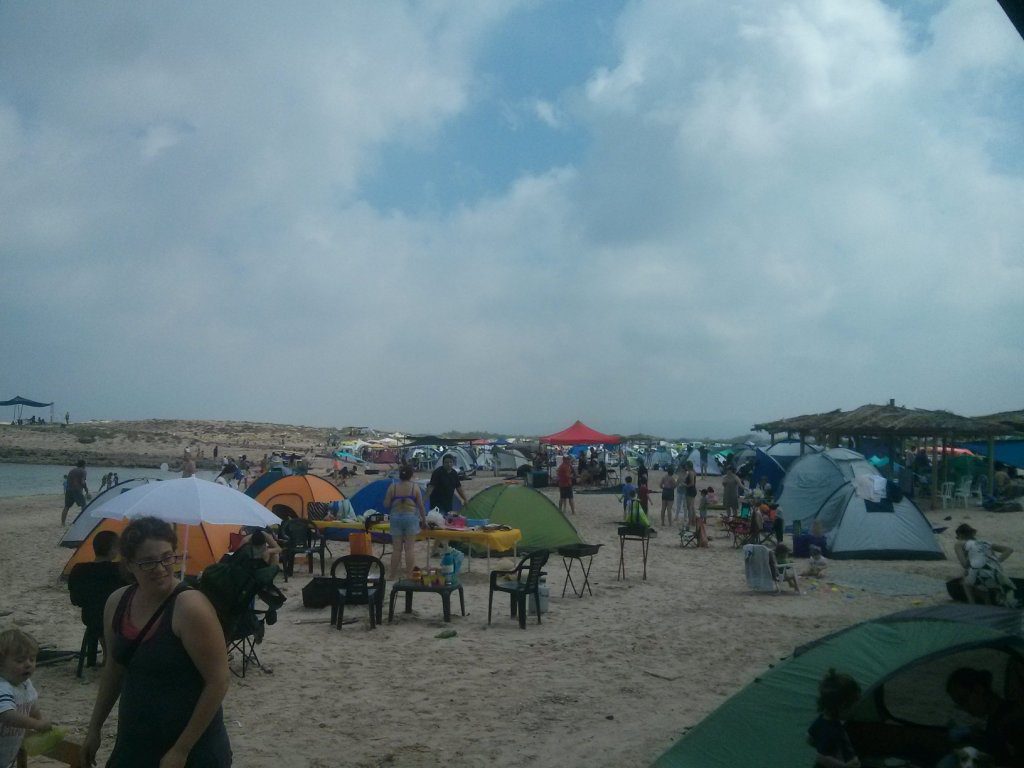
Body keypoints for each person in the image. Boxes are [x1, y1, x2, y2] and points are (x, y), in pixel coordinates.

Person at [83, 516, 231, 768]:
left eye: (167, 557)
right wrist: (94, 728)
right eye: (149, 562)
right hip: (135, 741)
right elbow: (114, 670)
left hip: (191, 746)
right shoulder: (117, 602)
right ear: (130, 564)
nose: (161, 568)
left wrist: (181, 750)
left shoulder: (190, 607)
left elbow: (218, 680)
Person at [68, 531, 128, 668]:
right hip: (117, 619)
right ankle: (110, 656)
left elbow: (76, 600)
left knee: (100, 619)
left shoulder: (79, 570)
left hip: (91, 617)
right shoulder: (120, 571)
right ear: (113, 549)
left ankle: (105, 655)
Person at [945, 666, 1024, 764]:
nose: (965, 708)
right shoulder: (998, 718)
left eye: (963, 700)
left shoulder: (1010, 720)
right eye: (960, 705)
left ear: (979, 690)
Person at [0, 628, 52, 768]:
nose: (28, 664)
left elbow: (32, 705)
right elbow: (7, 715)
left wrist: (39, 719)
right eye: (20, 660)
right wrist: (36, 725)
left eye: (32, 659)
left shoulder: (26, 684)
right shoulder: (2, 687)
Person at [954, 523, 1019, 607]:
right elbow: (1009, 549)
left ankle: (972, 604)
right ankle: (990, 601)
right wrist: (997, 561)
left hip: (981, 575)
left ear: (960, 535)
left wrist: (970, 562)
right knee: (979, 576)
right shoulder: (985, 543)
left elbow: (964, 565)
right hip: (998, 574)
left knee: (966, 578)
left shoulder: (959, 543)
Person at [807, 668, 861, 768]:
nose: (855, 710)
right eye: (854, 705)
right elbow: (822, 758)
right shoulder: (832, 730)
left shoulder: (821, 720)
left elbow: (810, 739)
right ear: (843, 706)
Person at [383, 465, 427, 580]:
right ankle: (409, 575)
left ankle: (392, 575)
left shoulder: (393, 487)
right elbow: (421, 506)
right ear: (411, 475)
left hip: (396, 518)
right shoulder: (415, 487)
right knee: (409, 549)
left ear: (399, 475)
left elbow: (386, 504)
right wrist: (424, 520)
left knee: (396, 549)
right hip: (410, 518)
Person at [61, 459, 91, 526]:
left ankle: (63, 523)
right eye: (85, 464)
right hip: (77, 490)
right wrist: (87, 491)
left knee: (66, 506)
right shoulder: (83, 471)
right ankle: (83, 522)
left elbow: (69, 480)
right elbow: (83, 482)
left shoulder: (71, 471)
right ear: (83, 465)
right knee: (84, 506)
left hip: (68, 490)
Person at [681, 461, 698, 528]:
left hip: (690, 491)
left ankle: (690, 522)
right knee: (692, 507)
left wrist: (685, 485)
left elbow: (692, 483)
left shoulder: (690, 473)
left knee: (689, 507)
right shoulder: (693, 472)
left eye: (686, 466)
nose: (685, 467)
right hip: (692, 490)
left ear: (688, 466)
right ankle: (693, 521)